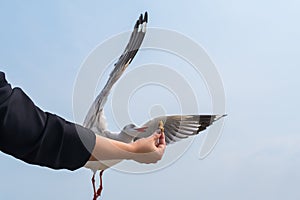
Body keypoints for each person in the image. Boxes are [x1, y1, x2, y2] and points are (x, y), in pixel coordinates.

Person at [0, 71, 166, 170]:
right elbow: (40, 134)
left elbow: (35, 130)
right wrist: (133, 151)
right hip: (82, 152)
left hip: (82, 152)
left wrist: (133, 150)